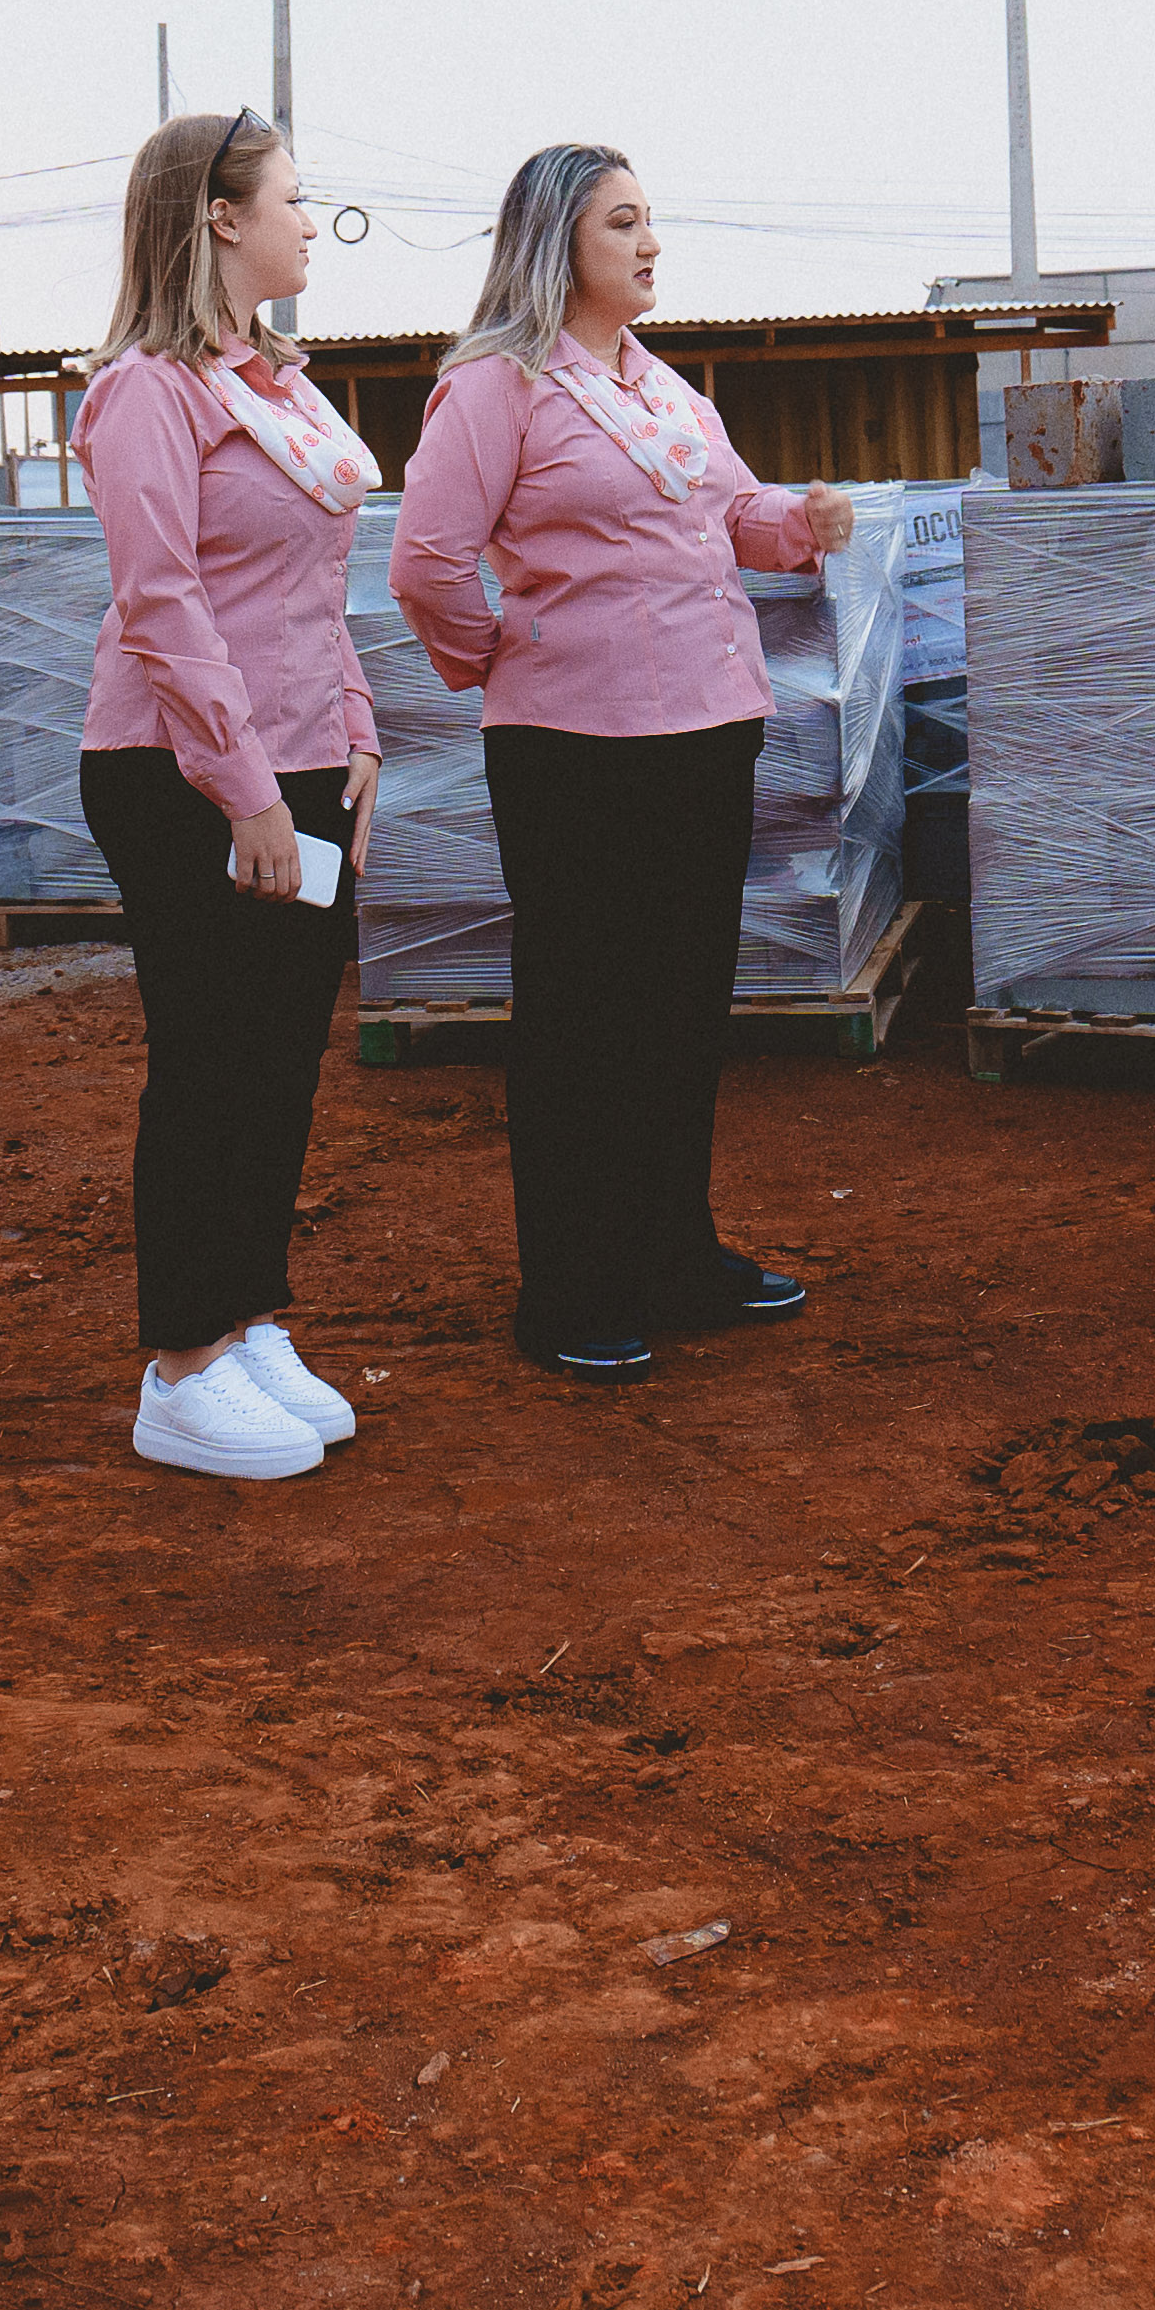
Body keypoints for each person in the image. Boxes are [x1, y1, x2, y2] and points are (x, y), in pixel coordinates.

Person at [388, 144, 854, 1379]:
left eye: (652, 221)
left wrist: (800, 525)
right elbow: (426, 561)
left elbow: (732, 514)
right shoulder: (497, 388)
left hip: (706, 727)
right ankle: (573, 1286)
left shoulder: (662, 388)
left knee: (683, 1004)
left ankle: (673, 1253)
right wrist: (513, 654)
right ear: (556, 246)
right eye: (622, 224)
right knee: (583, 1016)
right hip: (573, 747)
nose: (649, 244)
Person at [74, 110, 382, 1481]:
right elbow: (162, 603)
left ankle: (251, 1320)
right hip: (182, 772)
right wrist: (248, 790)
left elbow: (315, 594)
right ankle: (183, 1363)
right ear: (217, 216)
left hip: (305, 761)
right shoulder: (147, 392)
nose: (311, 223)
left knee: (280, 1060)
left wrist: (357, 738)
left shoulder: (284, 388)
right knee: (209, 1063)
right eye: (295, 201)